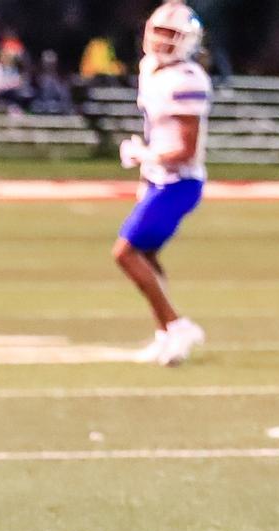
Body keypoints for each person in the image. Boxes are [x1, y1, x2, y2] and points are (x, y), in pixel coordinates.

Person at [114, 1, 210, 366]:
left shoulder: (188, 79)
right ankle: (166, 335)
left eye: (172, 34)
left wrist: (145, 155)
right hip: (159, 180)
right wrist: (146, 171)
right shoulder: (150, 68)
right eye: (159, 32)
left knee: (125, 253)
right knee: (146, 256)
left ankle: (177, 325)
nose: (162, 41)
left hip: (179, 183)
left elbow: (185, 150)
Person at [0, 47, 31, 113]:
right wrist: (15, 83)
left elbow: (20, 83)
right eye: (6, 56)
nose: (8, 59)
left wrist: (17, 83)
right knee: (12, 95)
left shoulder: (13, 68)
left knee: (24, 95)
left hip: (8, 94)